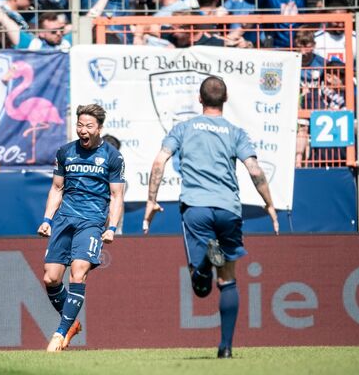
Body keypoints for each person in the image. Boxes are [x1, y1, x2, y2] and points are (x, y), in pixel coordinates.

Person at [143, 76, 279, 359]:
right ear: (225, 100)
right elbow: (254, 169)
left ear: (200, 99)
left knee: (200, 285)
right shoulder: (236, 132)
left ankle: (204, 263)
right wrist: (269, 204)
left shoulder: (183, 128)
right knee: (227, 279)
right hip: (228, 209)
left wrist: (151, 200)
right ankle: (226, 348)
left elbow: (159, 161)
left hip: (196, 208)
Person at [37, 104, 125, 353]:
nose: (82, 130)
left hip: (92, 221)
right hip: (64, 219)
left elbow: (117, 196)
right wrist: (47, 219)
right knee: (51, 277)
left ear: (99, 128)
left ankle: (59, 333)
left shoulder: (112, 157)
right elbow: (56, 188)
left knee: (78, 273)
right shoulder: (65, 152)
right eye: (79, 125)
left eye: (88, 126)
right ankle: (72, 323)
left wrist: (112, 227)